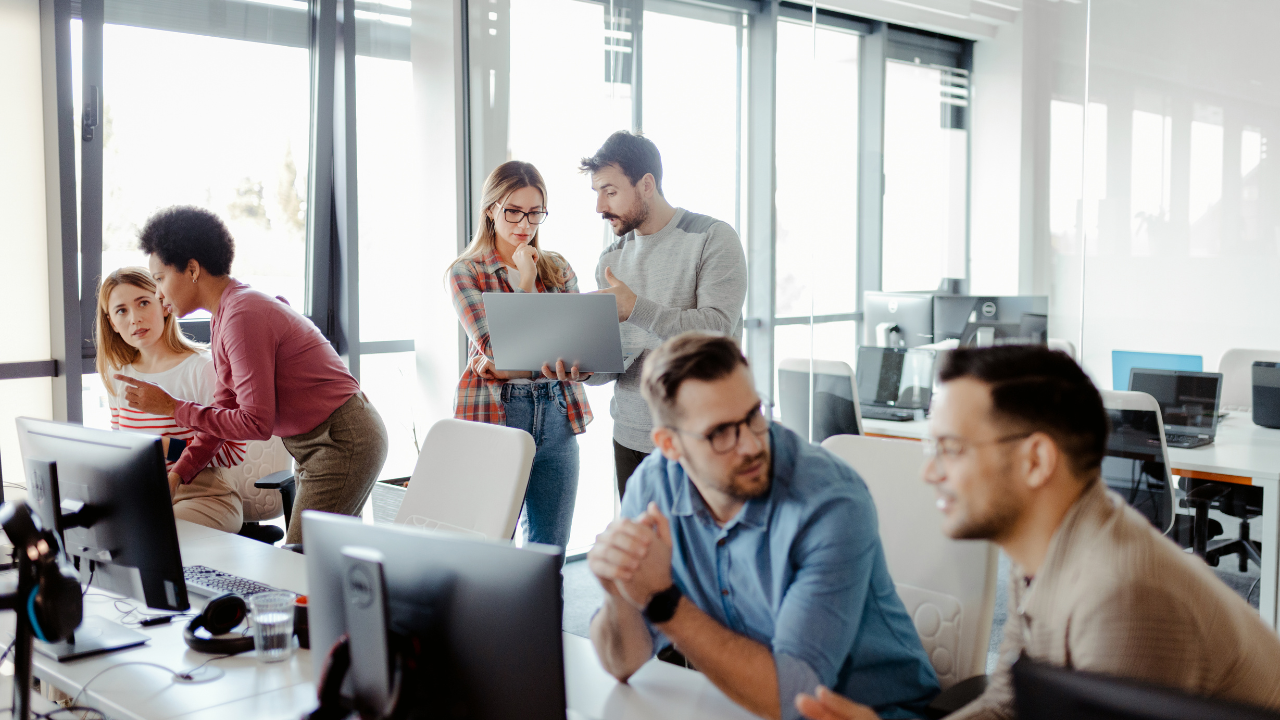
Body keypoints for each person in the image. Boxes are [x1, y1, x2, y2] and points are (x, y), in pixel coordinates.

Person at [794, 345, 1280, 720]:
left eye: (951, 448)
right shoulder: (1047, 550)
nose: (930, 473)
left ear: (1036, 461)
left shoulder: (1122, 597)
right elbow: (1007, 704)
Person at [587, 332, 939, 720]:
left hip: (869, 711)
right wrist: (620, 592)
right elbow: (622, 665)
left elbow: (793, 700)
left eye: (754, 415)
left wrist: (662, 600)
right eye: (721, 432)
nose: (753, 445)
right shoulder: (654, 486)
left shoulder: (830, 503)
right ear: (670, 445)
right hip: (736, 702)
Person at [114, 206, 389, 545]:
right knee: (320, 563)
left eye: (159, 278)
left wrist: (174, 408)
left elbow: (255, 424)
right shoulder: (226, 316)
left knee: (298, 561)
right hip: (317, 443)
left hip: (342, 439)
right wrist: (180, 473)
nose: (158, 293)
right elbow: (222, 411)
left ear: (193, 269)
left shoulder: (242, 316)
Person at [579, 131, 747, 499]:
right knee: (643, 554)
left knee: (695, 556)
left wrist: (636, 308)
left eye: (609, 191)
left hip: (698, 438)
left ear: (646, 184)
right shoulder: (611, 259)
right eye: (596, 193)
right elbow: (618, 359)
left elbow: (716, 331)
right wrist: (584, 369)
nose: (599, 207)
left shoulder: (712, 237)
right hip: (629, 435)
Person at [447, 160, 592, 550]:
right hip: (499, 414)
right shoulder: (467, 272)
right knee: (492, 551)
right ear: (491, 209)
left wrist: (504, 363)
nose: (524, 224)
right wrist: (526, 285)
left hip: (558, 412)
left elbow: (576, 346)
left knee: (549, 556)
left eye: (534, 213)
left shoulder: (558, 267)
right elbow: (500, 347)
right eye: (513, 211)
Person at [94, 267, 245, 533]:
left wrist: (165, 447)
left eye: (143, 303)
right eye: (121, 311)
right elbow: (123, 448)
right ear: (112, 323)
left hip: (203, 495)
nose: (135, 318)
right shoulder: (118, 375)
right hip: (145, 496)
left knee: (153, 532)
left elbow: (234, 450)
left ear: (163, 304)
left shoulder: (200, 369)